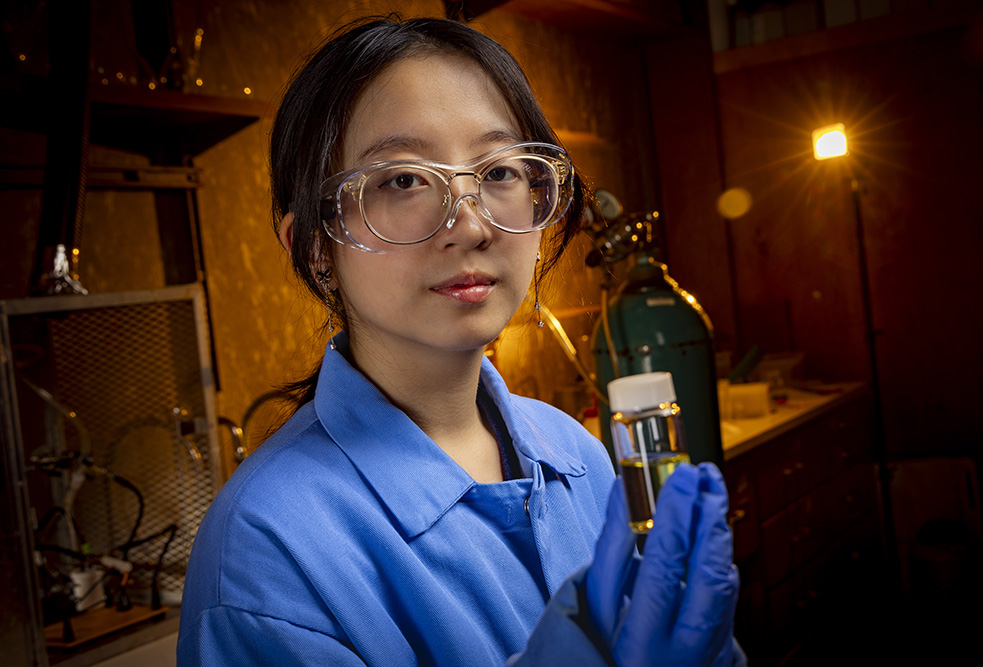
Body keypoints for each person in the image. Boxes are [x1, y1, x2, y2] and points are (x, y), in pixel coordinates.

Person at [177, 15, 743, 666]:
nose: (471, 226)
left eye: (500, 170)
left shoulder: (576, 453)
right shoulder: (265, 551)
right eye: (403, 179)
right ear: (315, 245)